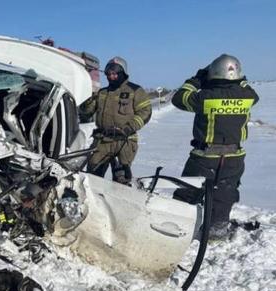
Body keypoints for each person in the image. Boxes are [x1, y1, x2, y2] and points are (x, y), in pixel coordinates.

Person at [171, 54, 259, 238]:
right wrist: (240, 81)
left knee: (188, 190)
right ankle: (216, 231)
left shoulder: (206, 97)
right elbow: (248, 89)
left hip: (205, 157)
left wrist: (196, 80)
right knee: (224, 194)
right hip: (235, 157)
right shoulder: (248, 96)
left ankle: (176, 226)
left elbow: (179, 99)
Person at [80, 56, 152, 184]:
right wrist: (89, 97)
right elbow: (85, 113)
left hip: (125, 141)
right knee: (92, 177)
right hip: (103, 140)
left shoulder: (135, 91)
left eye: (114, 74)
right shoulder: (101, 93)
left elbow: (145, 112)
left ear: (123, 73)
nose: (111, 77)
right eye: (108, 74)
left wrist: (129, 127)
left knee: (121, 180)